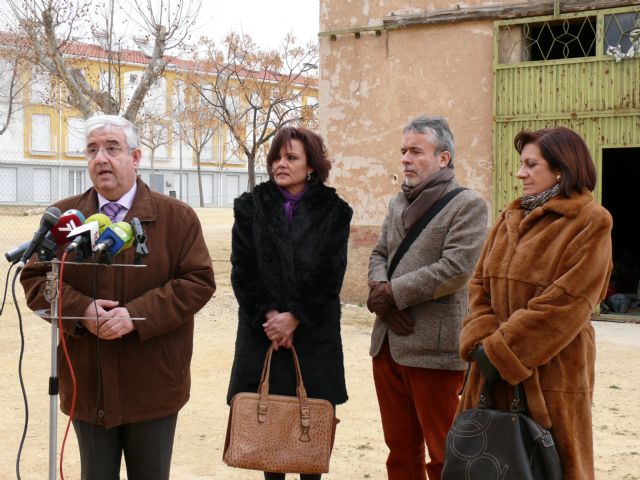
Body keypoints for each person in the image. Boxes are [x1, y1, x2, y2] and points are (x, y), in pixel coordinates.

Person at [20, 115, 216, 480]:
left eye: (112, 148)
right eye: (92, 150)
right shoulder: (63, 217)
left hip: (154, 383)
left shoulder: (177, 217)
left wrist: (135, 315)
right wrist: (82, 312)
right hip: (87, 383)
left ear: (136, 156)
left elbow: (198, 282)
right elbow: (35, 280)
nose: (101, 158)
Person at [457, 127, 613, 479]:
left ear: (561, 169)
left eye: (530, 164)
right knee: (485, 465)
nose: (520, 173)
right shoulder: (509, 217)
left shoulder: (590, 222)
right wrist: (483, 339)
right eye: (520, 164)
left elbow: (566, 304)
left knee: (549, 466)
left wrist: (501, 350)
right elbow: (479, 283)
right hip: (489, 370)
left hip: (552, 374)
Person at [226, 126, 352, 480]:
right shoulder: (251, 206)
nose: (281, 164)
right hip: (262, 334)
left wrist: (295, 316)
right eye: (276, 157)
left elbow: (331, 274)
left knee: (309, 438)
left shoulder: (334, 211)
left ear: (311, 165)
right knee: (268, 441)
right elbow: (242, 269)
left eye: (291, 157)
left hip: (313, 337)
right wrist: (270, 317)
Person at [368, 115, 488, 480]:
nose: (405, 158)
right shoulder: (396, 204)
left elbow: (455, 269)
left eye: (415, 151)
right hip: (388, 342)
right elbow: (378, 255)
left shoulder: (468, 205)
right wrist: (381, 296)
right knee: (400, 451)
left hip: (435, 352)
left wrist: (393, 295)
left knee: (444, 454)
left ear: (443, 158)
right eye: (403, 150)